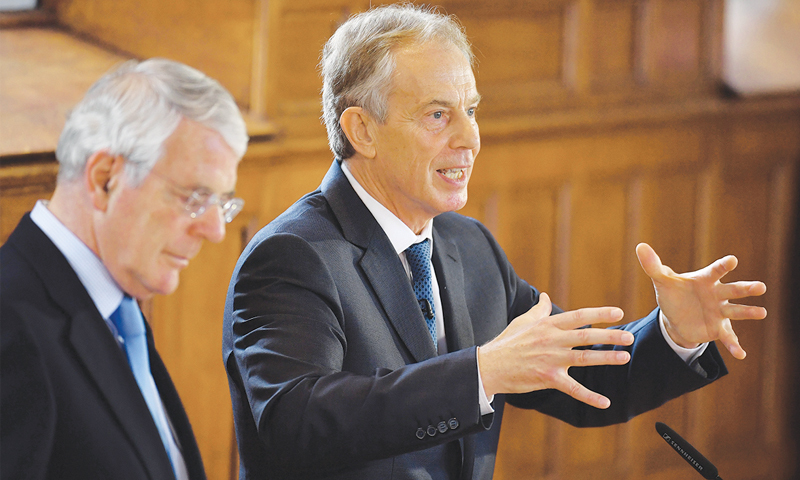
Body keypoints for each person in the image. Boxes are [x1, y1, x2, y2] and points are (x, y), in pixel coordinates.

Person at [222, 5, 766, 480]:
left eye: (471, 110)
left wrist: (673, 333)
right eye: (438, 115)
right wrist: (481, 372)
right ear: (362, 130)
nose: (469, 138)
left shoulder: (469, 247)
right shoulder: (293, 256)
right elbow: (297, 423)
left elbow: (571, 371)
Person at [1, 58, 248, 480]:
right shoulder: (10, 324)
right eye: (194, 196)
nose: (215, 231)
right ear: (104, 180)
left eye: (220, 203)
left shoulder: (117, 310)